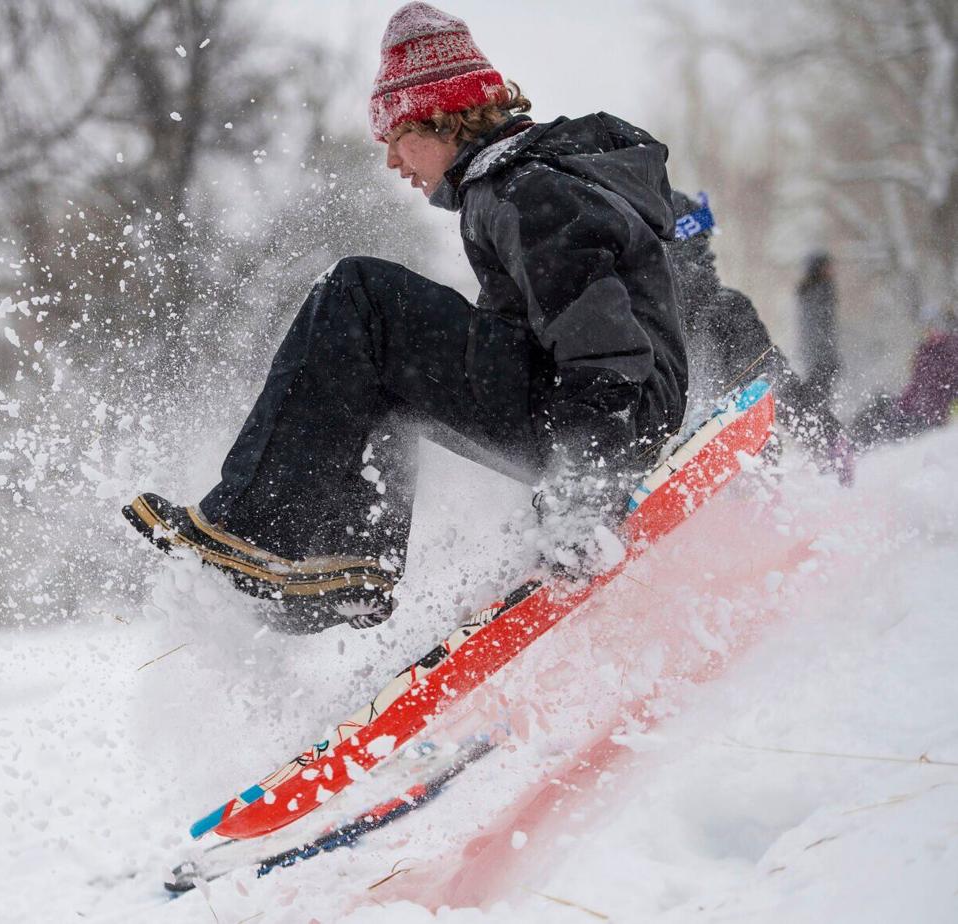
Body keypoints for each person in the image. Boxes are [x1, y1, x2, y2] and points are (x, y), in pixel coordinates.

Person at [123, 2, 687, 632]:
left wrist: (585, 491)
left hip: (610, 421)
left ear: (438, 118)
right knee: (377, 359)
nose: (394, 163)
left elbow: (602, 345)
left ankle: (257, 529)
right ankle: (349, 559)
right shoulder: (513, 188)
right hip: (594, 412)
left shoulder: (532, 192)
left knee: (357, 293)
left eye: (396, 140)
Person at [669, 192, 853, 484]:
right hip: (741, 467)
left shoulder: (638, 318)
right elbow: (776, 384)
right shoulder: (725, 310)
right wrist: (828, 439)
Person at [850, 304, 958, 449]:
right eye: (925, 326)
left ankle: (849, 447)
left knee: (877, 416)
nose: (927, 331)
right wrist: (900, 406)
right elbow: (915, 387)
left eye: (931, 325)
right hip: (914, 411)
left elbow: (933, 389)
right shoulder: (927, 351)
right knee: (878, 403)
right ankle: (847, 445)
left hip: (925, 418)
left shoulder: (944, 350)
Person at [796, 251, 842, 407]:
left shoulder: (810, 292)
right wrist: (828, 358)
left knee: (818, 398)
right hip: (820, 359)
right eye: (827, 266)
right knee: (820, 400)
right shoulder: (820, 292)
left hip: (816, 357)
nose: (832, 270)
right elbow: (817, 329)